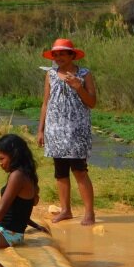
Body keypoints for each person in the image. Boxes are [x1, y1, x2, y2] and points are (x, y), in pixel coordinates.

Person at [37, 38, 97, 225]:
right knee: (60, 171)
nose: (59, 57)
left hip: (77, 130)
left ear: (72, 55)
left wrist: (79, 87)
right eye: (56, 54)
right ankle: (65, 210)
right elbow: (45, 103)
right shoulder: (51, 74)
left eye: (63, 53)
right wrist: (41, 130)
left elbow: (92, 103)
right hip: (55, 130)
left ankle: (89, 213)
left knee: (79, 170)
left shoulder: (85, 74)